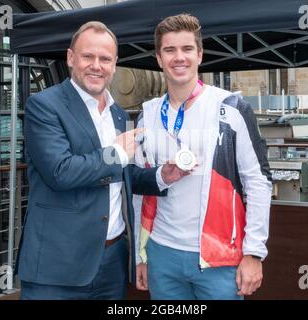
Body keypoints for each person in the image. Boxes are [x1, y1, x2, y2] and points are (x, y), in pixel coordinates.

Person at [17, 21, 187, 300]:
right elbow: (60, 172)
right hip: (58, 265)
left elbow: (121, 174)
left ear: (114, 63)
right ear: (71, 58)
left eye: (105, 59)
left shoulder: (118, 113)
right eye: (88, 56)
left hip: (111, 261)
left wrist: (162, 176)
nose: (97, 65)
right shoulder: (44, 105)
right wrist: (117, 153)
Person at [134, 14, 272, 300]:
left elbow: (258, 181)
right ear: (159, 58)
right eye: (169, 50)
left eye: (186, 49)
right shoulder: (147, 113)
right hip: (162, 253)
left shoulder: (231, 106)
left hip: (218, 256)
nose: (179, 57)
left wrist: (254, 252)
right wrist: (141, 253)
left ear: (199, 54)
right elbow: (138, 190)